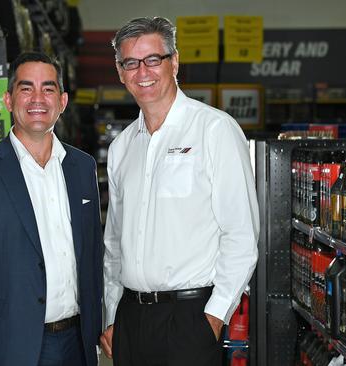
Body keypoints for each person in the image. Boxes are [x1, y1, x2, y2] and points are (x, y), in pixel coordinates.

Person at [99, 17, 259, 365]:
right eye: (131, 62)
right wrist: (111, 315)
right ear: (120, 72)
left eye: (153, 59)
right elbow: (113, 243)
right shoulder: (122, 147)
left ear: (174, 62)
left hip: (190, 318)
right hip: (131, 319)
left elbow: (241, 234)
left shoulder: (214, 130)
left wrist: (215, 316)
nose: (143, 71)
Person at [0, 52, 103, 366]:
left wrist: (94, 335)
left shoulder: (82, 167)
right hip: (5, 346)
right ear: (8, 99)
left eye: (48, 89)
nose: (38, 98)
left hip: (75, 344)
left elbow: (92, 259)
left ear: (63, 101)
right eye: (26, 88)